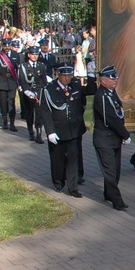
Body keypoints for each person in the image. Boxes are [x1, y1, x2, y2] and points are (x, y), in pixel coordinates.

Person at [39, 66, 85, 197]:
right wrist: (50, 132)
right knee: (58, 160)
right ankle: (58, 183)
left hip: (73, 131)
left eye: (70, 75)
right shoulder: (49, 89)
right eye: (64, 76)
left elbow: (83, 99)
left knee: (73, 160)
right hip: (58, 131)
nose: (67, 78)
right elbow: (45, 112)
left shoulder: (75, 86)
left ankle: (73, 187)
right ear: (58, 75)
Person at [93, 65, 131, 211]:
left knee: (116, 170)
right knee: (109, 171)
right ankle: (117, 201)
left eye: (115, 77)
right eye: (112, 78)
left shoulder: (110, 92)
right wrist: (125, 134)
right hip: (104, 139)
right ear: (103, 81)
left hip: (114, 138)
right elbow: (111, 118)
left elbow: (118, 112)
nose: (115, 80)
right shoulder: (101, 96)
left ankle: (108, 193)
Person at [18, 45, 48, 143]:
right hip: (28, 92)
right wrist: (28, 92)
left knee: (39, 113)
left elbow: (44, 80)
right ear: (29, 55)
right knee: (29, 112)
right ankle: (31, 131)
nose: (35, 56)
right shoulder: (23, 66)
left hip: (39, 92)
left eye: (36, 54)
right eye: (33, 54)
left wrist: (44, 91)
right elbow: (22, 80)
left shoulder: (41, 66)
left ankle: (39, 134)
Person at [0, 39, 20, 132]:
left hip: (12, 82)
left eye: (9, 45)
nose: (7, 47)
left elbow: (18, 68)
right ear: (3, 46)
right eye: (5, 45)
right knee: (3, 103)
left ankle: (12, 123)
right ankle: (5, 121)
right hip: (1, 81)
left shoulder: (15, 55)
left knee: (11, 102)